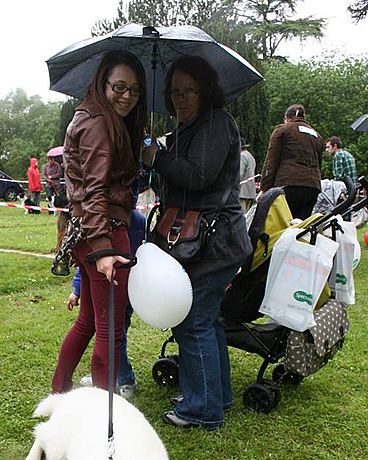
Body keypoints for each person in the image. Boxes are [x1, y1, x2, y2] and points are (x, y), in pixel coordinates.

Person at [142, 55, 252, 432]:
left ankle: (202, 408)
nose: (181, 99)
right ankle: (213, 395)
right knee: (207, 321)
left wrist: (159, 157)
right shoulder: (188, 127)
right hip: (205, 239)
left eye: (189, 91)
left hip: (214, 241)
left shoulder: (217, 123)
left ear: (206, 91)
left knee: (193, 321)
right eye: (174, 92)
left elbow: (198, 176)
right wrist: (157, 163)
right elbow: (174, 187)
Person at [51, 50, 147, 394]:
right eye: (119, 87)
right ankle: (103, 415)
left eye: (135, 90)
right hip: (104, 231)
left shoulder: (92, 116)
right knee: (110, 329)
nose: (127, 96)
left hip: (87, 231)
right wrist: (104, 248)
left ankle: (59, 394)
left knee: (90, 322)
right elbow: (94, 190)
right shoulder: (99, 124)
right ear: (102, 82)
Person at [70, 204, 146, 398]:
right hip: (107, 286)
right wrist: (77, 289)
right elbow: (87, 264)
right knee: (106, 332)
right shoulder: (101, 222)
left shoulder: (135, 221)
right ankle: (106, 379)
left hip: (127, 287)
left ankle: (124, 379)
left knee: (114, 335)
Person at [259, 104, 323, 220]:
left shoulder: (282, 130)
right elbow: (319, 164)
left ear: (287, 118)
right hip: (313, 187)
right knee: (301, 228)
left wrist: (264, 188)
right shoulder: (317, 136)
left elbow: (271, 161)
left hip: (288, 184)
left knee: (285, 226)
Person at [239, 138, 257, 213]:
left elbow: (239, 174)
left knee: (242, 215)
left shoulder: (242, 156)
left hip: (242, 192)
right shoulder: (250, 156)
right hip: (250, 191)